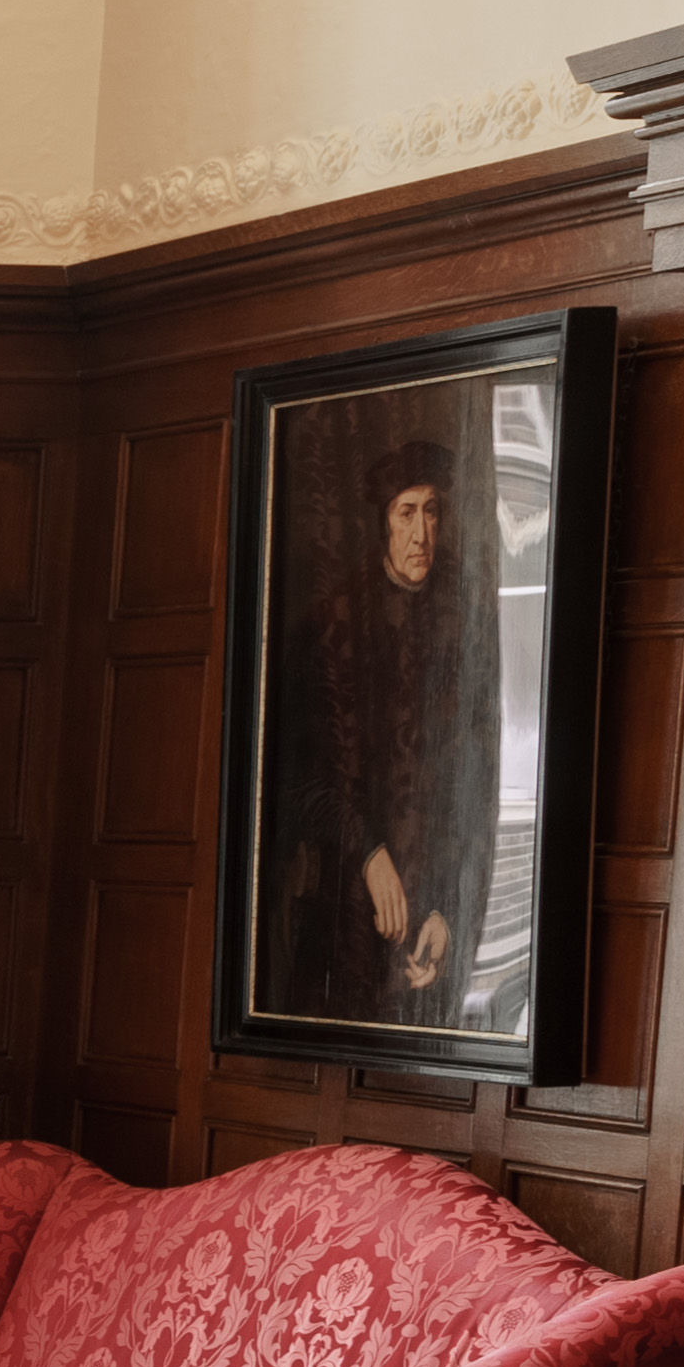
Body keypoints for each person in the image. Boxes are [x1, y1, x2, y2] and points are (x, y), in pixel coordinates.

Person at [256, 426, 504, 1035]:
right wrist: (367, 852)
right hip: (342, 920)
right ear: (385, 523)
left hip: (431, 927)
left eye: (432, 511)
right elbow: (296, 780)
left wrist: (450, 907)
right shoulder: (334, 624)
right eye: (406, 513)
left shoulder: (465, 626)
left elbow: (475, 789)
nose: (422, 533)